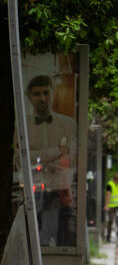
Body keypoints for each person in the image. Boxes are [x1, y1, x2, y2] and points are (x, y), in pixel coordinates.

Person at [26, 74, 77, 247]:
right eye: (37, 94)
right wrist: (56, 152)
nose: (42, 98)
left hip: (60, 189)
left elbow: (71, 157)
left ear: (53, 93)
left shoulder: (68, 124)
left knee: (63, 239)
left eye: (46, 93)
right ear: (29, 96)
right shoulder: (23, 125)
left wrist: (37, 156)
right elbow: (21, 157)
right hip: (32, 190)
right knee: (34, 238)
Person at [104, 172, 118, 243]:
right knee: (110, 221)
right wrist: (107, 205)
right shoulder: (110, 185)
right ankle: (108, 236)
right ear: (117, 179)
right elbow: (108, 195)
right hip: (112, 206)